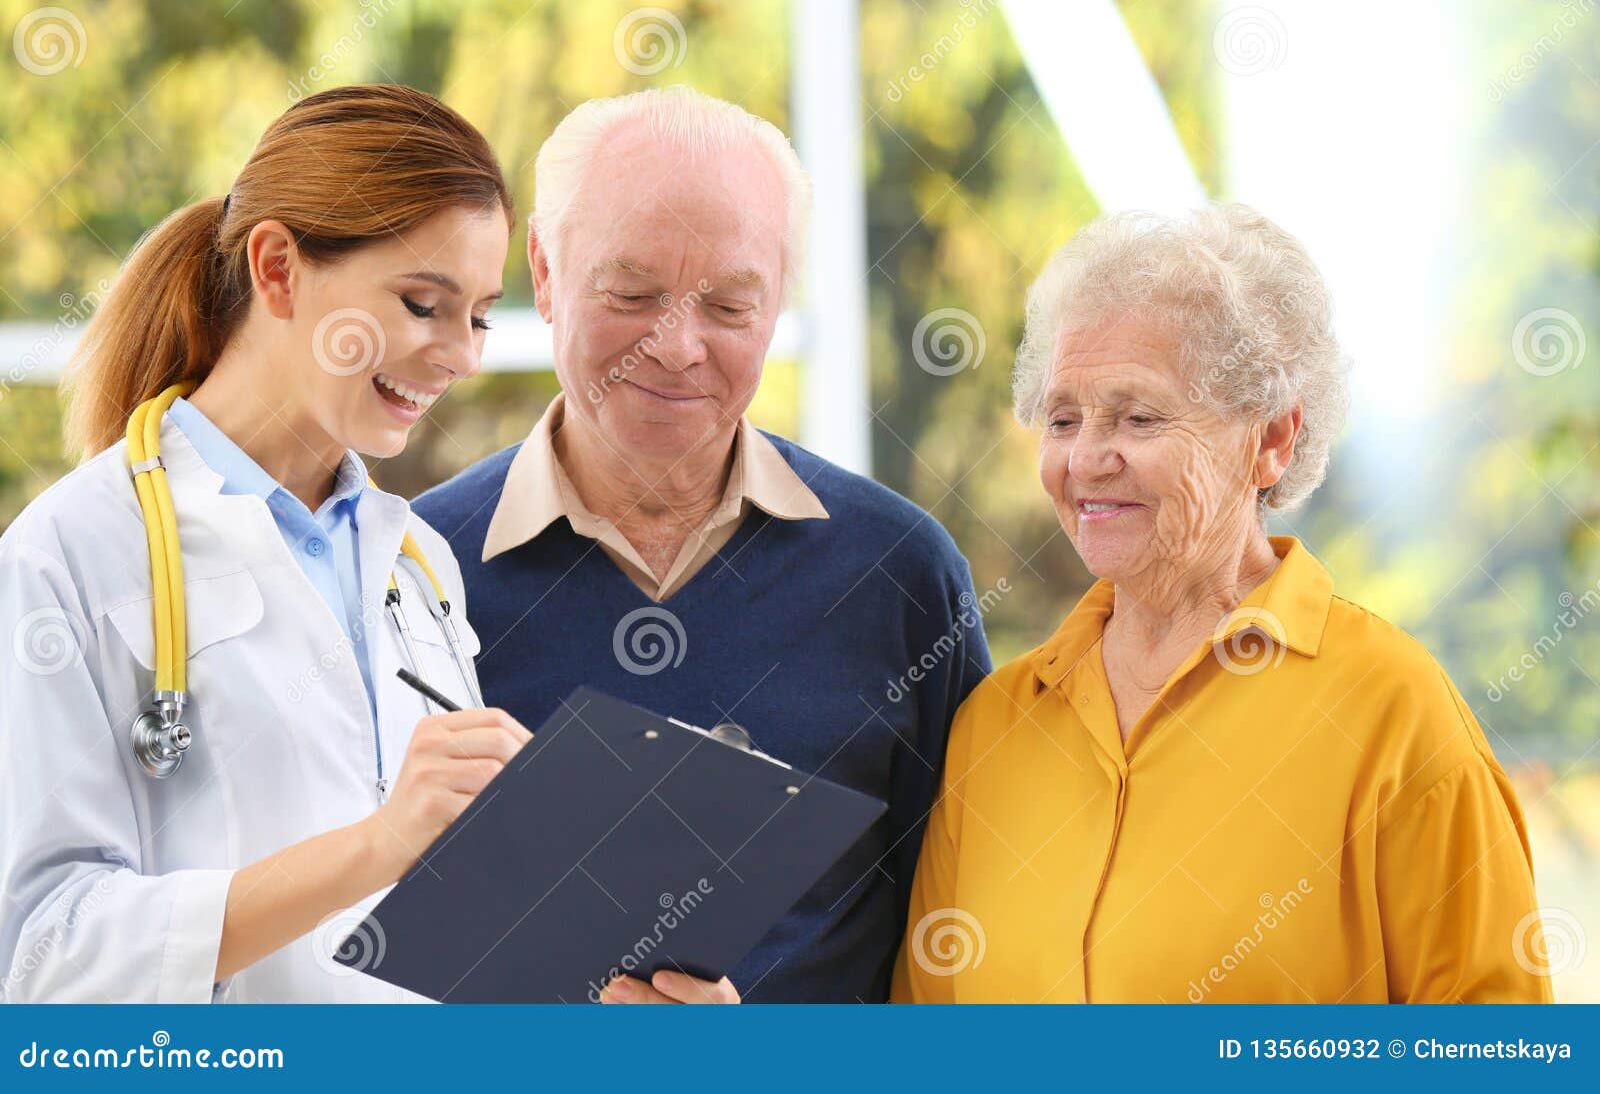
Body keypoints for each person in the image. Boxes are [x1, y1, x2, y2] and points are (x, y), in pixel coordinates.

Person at [413, 86, 993, 1004]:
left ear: (780, 302)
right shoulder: (415, 571)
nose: (676, 346)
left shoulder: (900, 575)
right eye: (632, 292)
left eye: (728, 305)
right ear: (547, 272)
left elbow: (964, 952)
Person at [893, 203, 1553, 1003]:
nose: (1088, 458)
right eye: (1063, 418)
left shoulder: (1395, 713)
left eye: (1139, 416)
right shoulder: (994, 724)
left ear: (1271, 438)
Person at [0, 84, 534, 1002]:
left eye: (480, 315)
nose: (462, 356)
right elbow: (43, 960)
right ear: (278, 267)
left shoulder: (419, 568)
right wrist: (374, 845)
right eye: (422, 303)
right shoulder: (68, 556)